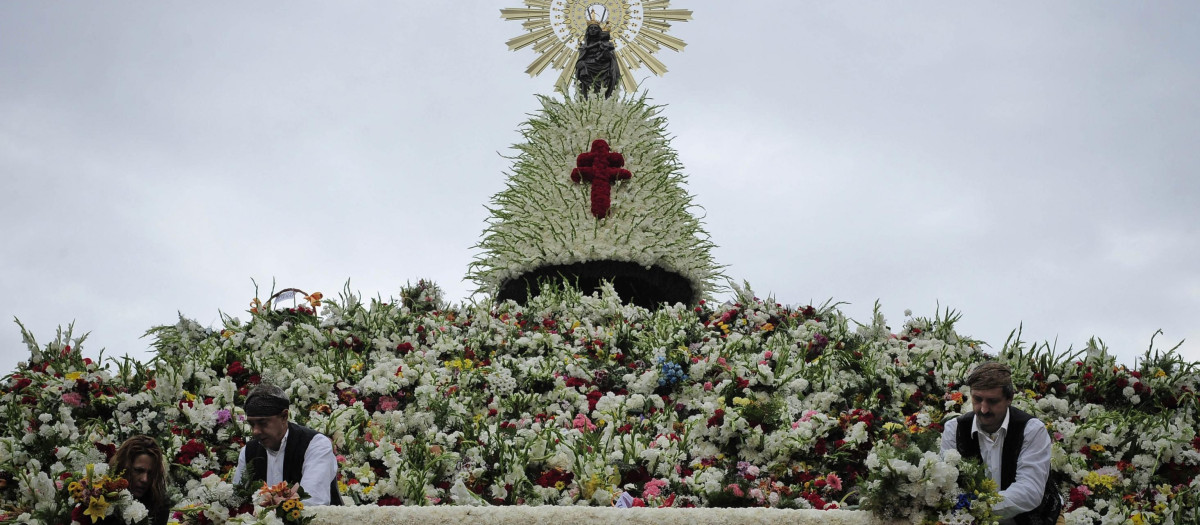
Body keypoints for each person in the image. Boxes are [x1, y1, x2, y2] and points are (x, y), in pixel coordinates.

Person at [941, 362, 1061, 525]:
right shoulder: (954, 429)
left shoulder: (1032, 430)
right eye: (977, 399)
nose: (983, 409)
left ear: (1009, 398)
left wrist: (980, 507)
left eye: (992, 401)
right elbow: (946, 483)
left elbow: (1029, 490)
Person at [232, 384, 342, 505]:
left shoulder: (315, 444)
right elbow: (237, 499)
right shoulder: (249, 451)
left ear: (284, 416)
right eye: (252, 424)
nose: (255, 431)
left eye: (262, 423)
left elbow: (313, 502)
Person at [104, 435, 170, 525]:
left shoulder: (159, 505)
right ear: (123, 467)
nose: (145, 479)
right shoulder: (101, 497)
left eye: (150, 473)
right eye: (138, 471)